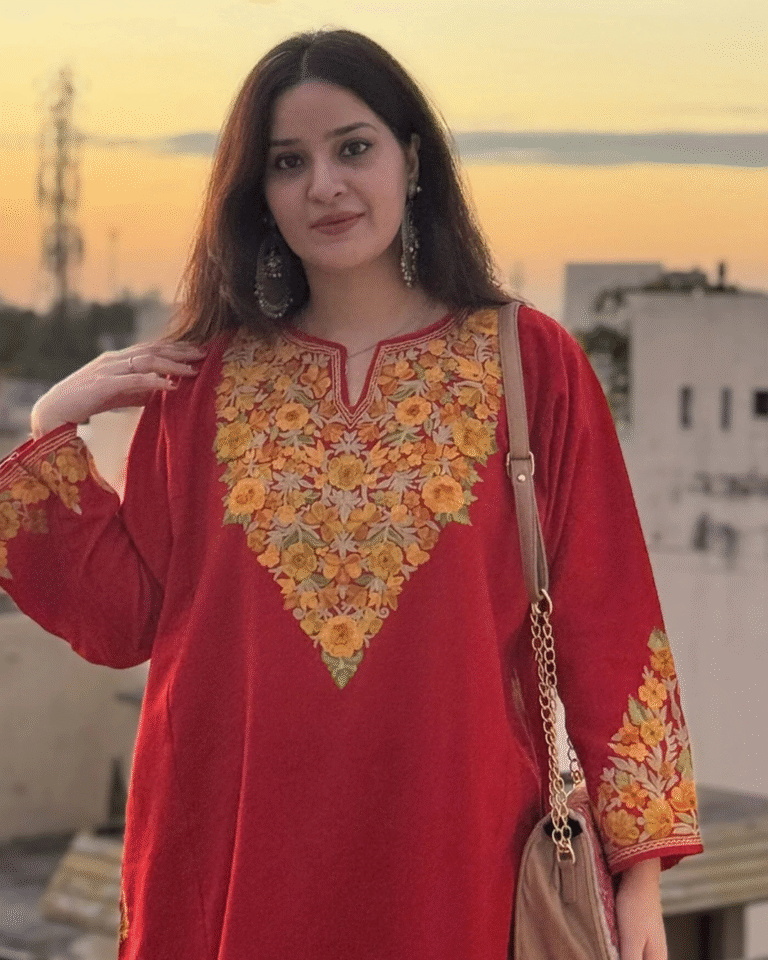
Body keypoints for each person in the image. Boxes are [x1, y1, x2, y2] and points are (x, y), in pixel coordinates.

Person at [1, 28, 701, 960]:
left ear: (413, 160)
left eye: (353, 147)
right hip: (229, 863)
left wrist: (639, 887)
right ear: (260, 194)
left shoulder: (529, 366)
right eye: (289, 163)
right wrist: (52, 421)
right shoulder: (203, 381)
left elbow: (610, 628)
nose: (324, 184)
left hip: (459, 860)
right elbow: (124, 622)